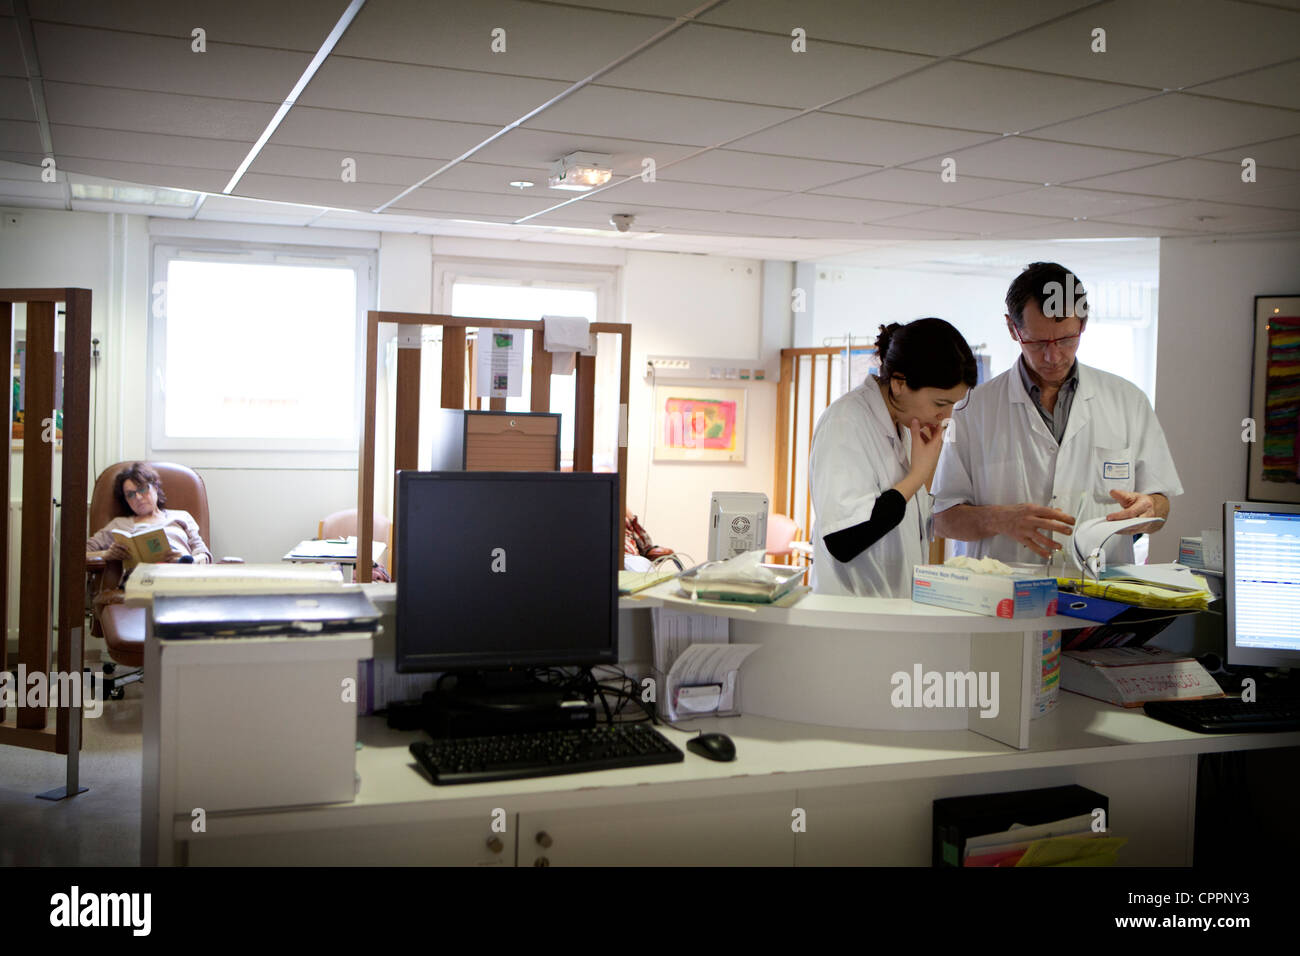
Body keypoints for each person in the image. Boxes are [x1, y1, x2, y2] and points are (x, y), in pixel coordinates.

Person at [932, 261, 1182, 567]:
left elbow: (1160, 501)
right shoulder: (972, 409)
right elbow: (943, 518)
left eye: (1066, 339)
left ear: (1083, 324)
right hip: (1003, 598)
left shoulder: (1128, 401)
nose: (1054, 356)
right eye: (1038, 342)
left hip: (1099, 592)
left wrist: (1149, 510)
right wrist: (998, 519)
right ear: (1013, 328)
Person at [810, 317, 977, 597]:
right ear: (899, 383)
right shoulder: (845, 422)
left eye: (952, 406)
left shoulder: (905, 426)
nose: (945, 417)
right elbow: (843, 540)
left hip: (893, 615)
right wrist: (915, 477)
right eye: (939, 404)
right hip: (853, 621)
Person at [86, 462, 212, 565]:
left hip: (180, 574)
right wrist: (106, 554)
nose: (138, 498)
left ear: (155, 488)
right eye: (130, 494)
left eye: (142, 489)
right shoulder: (119, 525)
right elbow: (82, 553)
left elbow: (203, 554)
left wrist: (186, 560)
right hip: (141, 579)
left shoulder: (181, 516)